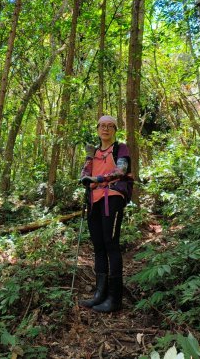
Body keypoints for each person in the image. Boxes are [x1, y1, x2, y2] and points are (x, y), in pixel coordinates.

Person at [79, 115, 132, 313]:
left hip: (113, 197)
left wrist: (98, 178)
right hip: (95, 200)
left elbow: (121, 171)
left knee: (111, 244)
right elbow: (84, 175)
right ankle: (99, 294)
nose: (106, 129)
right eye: (102, 126)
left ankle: (115, 298)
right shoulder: (94, 151)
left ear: (115, 130)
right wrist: (88, 158)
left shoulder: (121, 148)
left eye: (110, 126)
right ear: (97, 128)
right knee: (98, 246)